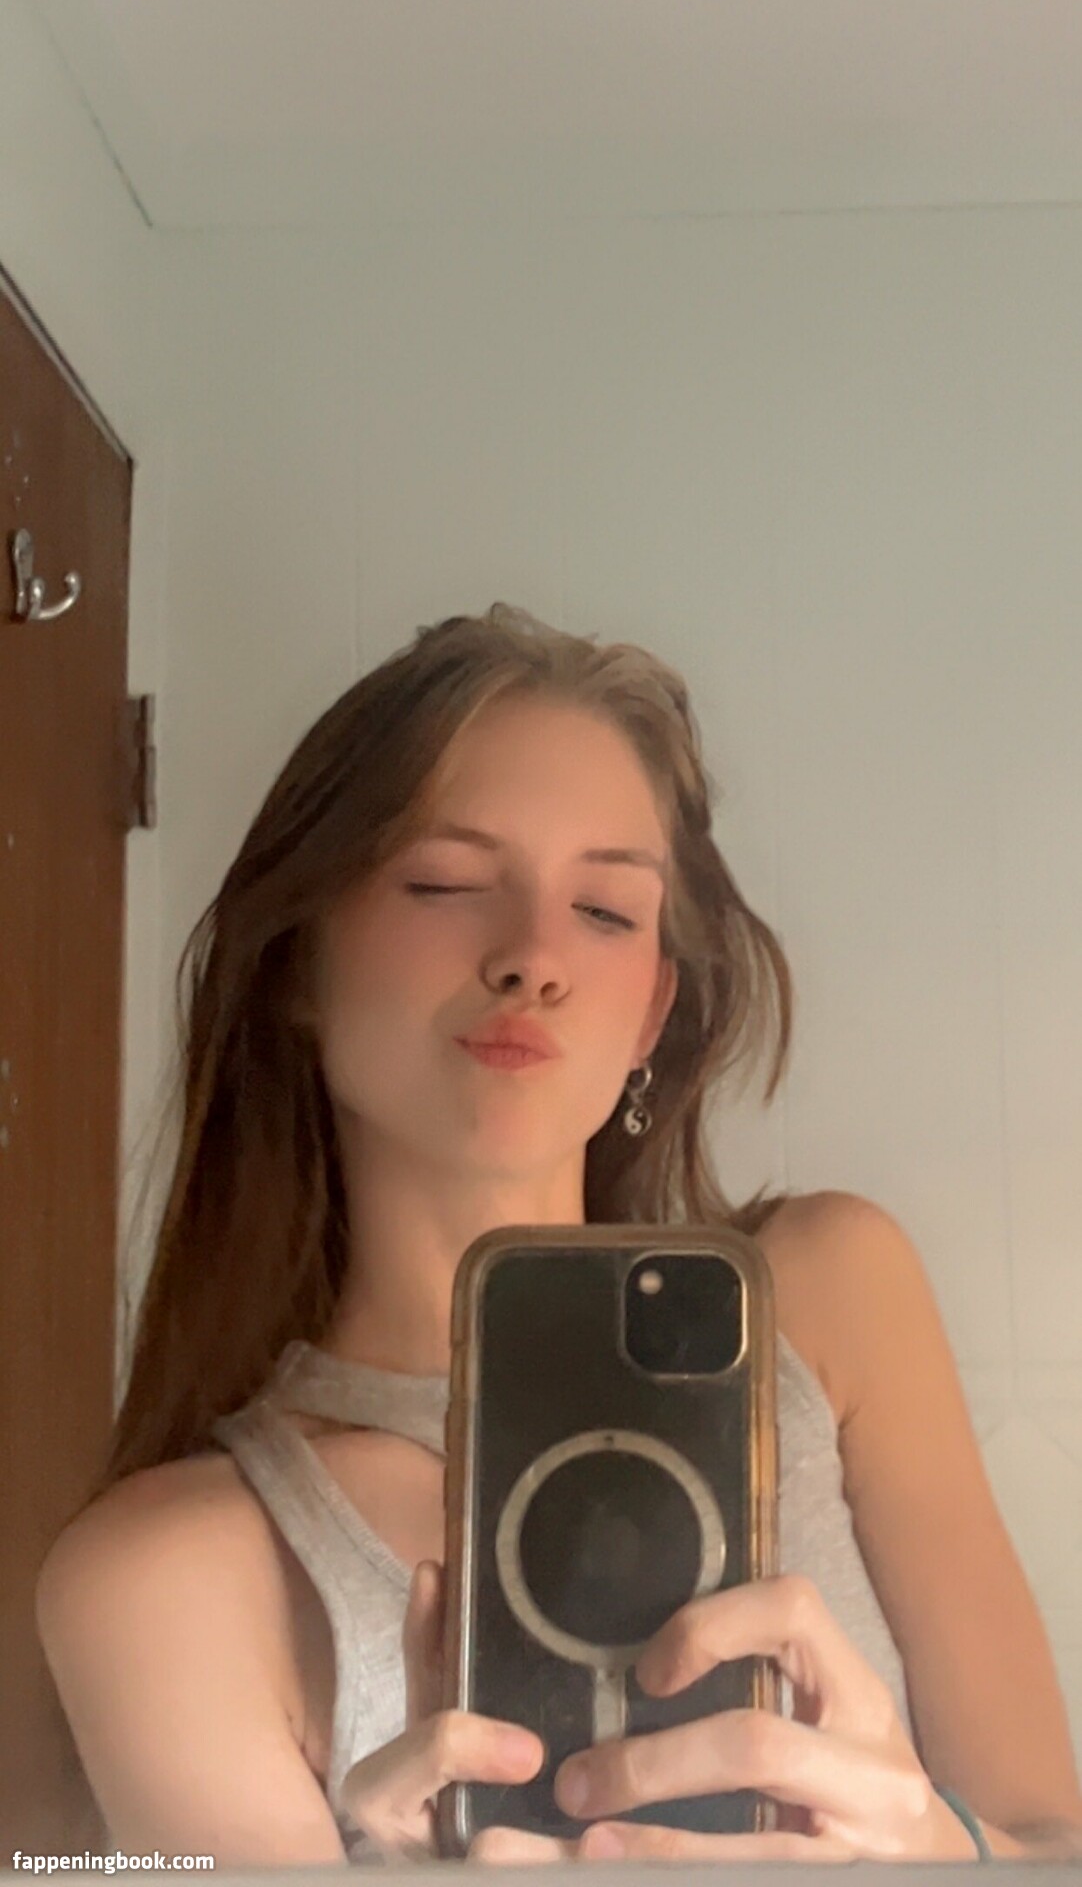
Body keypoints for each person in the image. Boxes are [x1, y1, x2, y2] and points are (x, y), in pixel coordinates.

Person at [35, 604, 1082, 1867]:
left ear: (650, 1014)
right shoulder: (164, 1578)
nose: (532, 959)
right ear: (296, 967)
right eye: (443, 884)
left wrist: (926, 1842)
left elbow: (1051, 1840)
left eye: (603, 911)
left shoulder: (832, 1302)